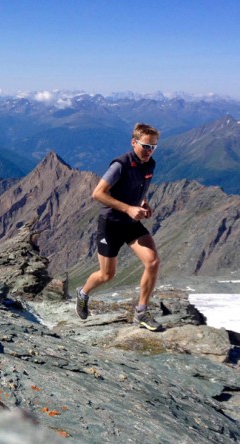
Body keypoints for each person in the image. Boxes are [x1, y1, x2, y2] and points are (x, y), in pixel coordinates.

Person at [75, 122, 162, 331]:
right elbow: (97, 194)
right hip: (111, 224)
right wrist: (128, 209)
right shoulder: (120, 165)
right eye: (146, 146)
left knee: (153, 262)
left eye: (154, 147)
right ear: (134, 143)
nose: (149, 151)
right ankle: (83, 293)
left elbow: (138, 188)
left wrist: (142, 203)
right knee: (107, 275)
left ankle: (141, 311)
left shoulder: (150, 165)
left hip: (131, 223)